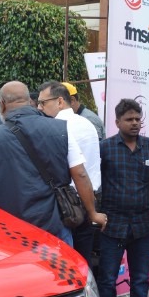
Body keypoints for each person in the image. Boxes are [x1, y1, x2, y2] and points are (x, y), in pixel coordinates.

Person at [0, 81, 107, 245]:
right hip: (54, 226)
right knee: (60, 270)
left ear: (2, 105)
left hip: (10, 231)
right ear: (30, 102)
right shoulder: (61, 129)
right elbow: (80, 173)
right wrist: (93, 213)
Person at [97, 99, 149, 297]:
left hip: (142, 223)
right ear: (117, 122)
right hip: (112, 224)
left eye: (138, 119)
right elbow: (97, 185)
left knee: (141, 276)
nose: (135, 123)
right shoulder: (105, 148)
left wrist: (146, 206)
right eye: (129, 119)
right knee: (107, 277)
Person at [38, 81, 102, 265]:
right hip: (91, 196)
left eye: (43, 103)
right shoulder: (86, 122)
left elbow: (79, 172)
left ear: (59, 101)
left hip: (70, 202)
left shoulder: (56, 126)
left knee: (67, 260)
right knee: (84, 257)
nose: (40, 108)